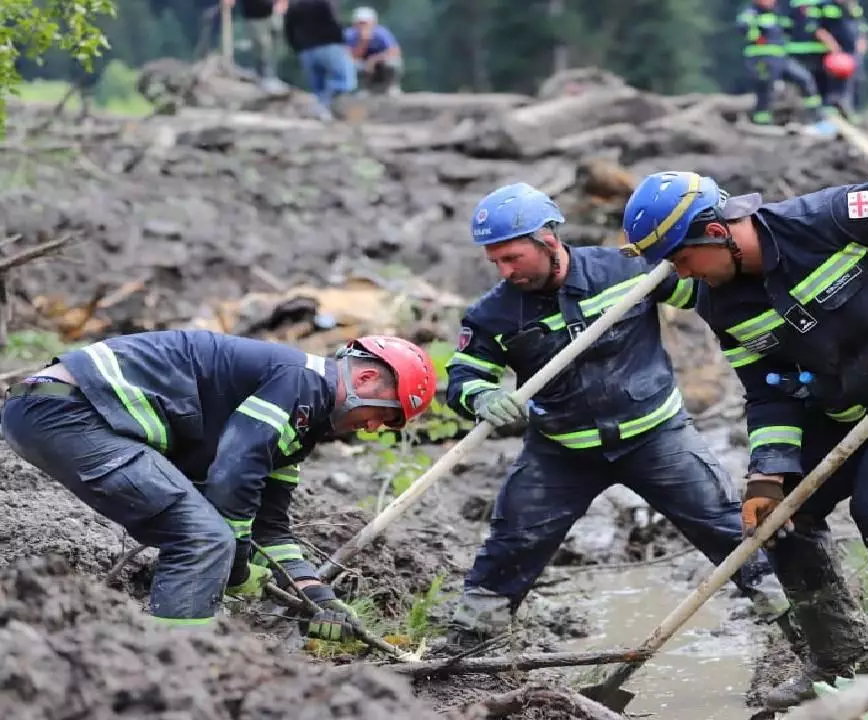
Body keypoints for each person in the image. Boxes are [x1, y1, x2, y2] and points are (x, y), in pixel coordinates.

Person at [619, 171, 868, 709]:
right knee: (781, 521)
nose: (681, 277)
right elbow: (768, 390)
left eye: (681, 259)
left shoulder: (833, 217)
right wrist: (768, 475)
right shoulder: (719, 302)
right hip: (845, 404)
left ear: (716, 231)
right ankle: (842, 660)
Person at [442, 182, 790, 648]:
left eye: (513, 258)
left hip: (657, 437)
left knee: (727, 527)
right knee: (513, 541)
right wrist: (481, 396)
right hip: (562, 450)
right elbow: (465, 376)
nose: (506, 271)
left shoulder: (629, 270)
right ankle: (468, 641)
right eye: (496, 262)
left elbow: (710, 285)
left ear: (548, 241)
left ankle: (796, 622)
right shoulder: (494, 314)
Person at [1, 330, 436, 637]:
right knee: (204, 539)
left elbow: (270, 526)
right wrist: (238, 565)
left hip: (63, 412)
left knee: (209, 535)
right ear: (363, 380)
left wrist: (317, 596)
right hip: (69, 411)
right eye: (385, 413)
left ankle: (170, 673)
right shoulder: (301, 380)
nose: (376, 428)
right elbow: (233, 471)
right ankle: (175, 685)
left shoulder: (300, 424)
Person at [737, 0, 824, 128]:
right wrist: (757, 38)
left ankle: (815, 117)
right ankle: (762, 122)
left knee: (805, 79)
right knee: (766, 90)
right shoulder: (750, 13)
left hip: (781, 58)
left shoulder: (778, 13)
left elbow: (790, 28)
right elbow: (744, 28)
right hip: (762, 58)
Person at [283, 0, 357, 120]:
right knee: (344, 81)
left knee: (318, 87)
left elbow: (288, 29)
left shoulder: (295, 4)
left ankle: (323, 112)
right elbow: (334, 21)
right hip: (329, 46)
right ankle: (325, 106)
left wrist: (297, 48)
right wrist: (343, 41)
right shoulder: (326, 2)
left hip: (306, 50)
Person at [222, 0, 288, 93]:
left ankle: (273, 76)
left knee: (276, 43)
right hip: (254, 16)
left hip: (272, 11)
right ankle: (265, 78)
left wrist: (282, 2)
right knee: (262, 46)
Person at [345, 7, 404, 96]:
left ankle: (390, 87)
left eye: (365, 23)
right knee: (351, 65)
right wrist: (363, 42)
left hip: (379, 63)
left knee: (393, 62)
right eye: (360, 23)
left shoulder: (381, 33)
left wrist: (374, 60)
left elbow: (394, 51)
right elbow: (348, 55)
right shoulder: (349, 35)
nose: (363, 26)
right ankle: (362, 89)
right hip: (361, 64)